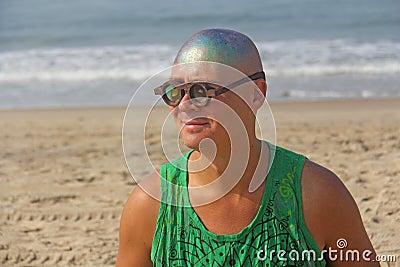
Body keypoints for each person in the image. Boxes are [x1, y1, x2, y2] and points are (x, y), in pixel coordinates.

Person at [116, 29, 378, 266]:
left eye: (201, 90)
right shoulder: (151, 205)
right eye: (174, 91)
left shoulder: (316, 194)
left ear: (255, 93)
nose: (184, 104)